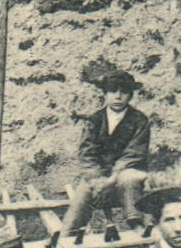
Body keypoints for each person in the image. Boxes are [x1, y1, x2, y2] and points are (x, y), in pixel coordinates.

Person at [59, 69, 152, 233]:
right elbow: (87, 154)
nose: (118, 96)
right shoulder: (94, 121)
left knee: (128, 179)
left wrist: (113, 177)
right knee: (84, 189)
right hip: (100, 179)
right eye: (112, 91)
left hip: (127, 173)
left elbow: (134, 153)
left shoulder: (139, 121)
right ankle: (63, 244)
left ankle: (136, 225)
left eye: (123, 92)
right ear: (105, 94)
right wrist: (97, 178)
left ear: (130, 95)